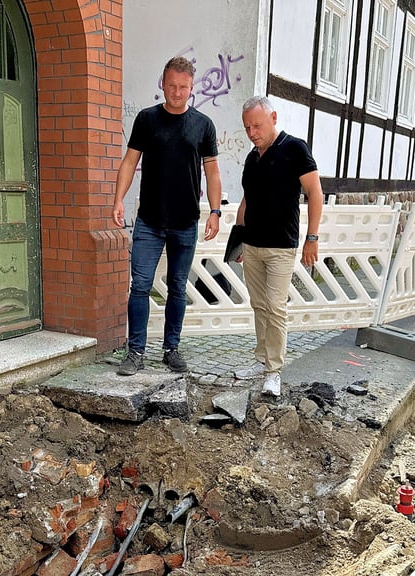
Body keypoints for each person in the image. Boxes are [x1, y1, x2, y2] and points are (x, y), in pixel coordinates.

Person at [112, 56, 223, 376]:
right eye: (172, 85)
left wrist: (215, 211)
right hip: (149, 221)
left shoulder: (203, 125)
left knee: (177, 287)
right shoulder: (147, 120)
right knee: (140, 286)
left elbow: (212, 172)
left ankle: (171, 349)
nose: (177, 92)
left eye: (183, 87)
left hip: (186, 222)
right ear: (162, 83)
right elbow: (130, 162)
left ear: (192, 88)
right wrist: (118, 199)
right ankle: (135, 352)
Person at [233, 96, 323, 396]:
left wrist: (312, 237)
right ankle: (261, 361)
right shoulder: (251, 158)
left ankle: (274, 371)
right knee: (259, 305)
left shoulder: (295, 149)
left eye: (257, 125)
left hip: (281, 246)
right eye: (247, 127)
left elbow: (315, 193)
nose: (252, 132)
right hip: (253, 245)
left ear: (273, 117)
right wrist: (238, 241)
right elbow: (247, 200)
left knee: (275, 307)